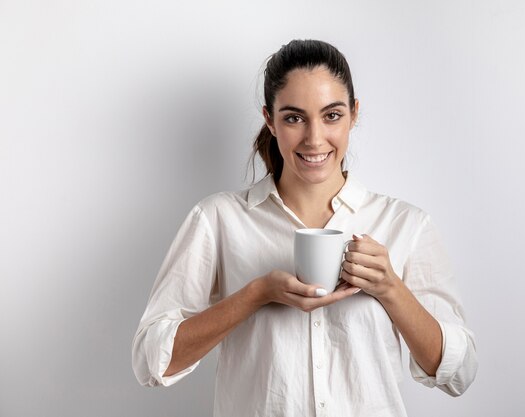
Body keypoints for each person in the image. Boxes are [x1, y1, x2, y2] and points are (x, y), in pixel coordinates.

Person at [132, 39, 478, 416]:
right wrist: (256, 294)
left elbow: (458, 373)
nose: (314, 139)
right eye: (294, 118)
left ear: (353, 114)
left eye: (331, 115)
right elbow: (152, 361)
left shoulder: (404, 224)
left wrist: (390, 288)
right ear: (270, 119)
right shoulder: (218, 219)